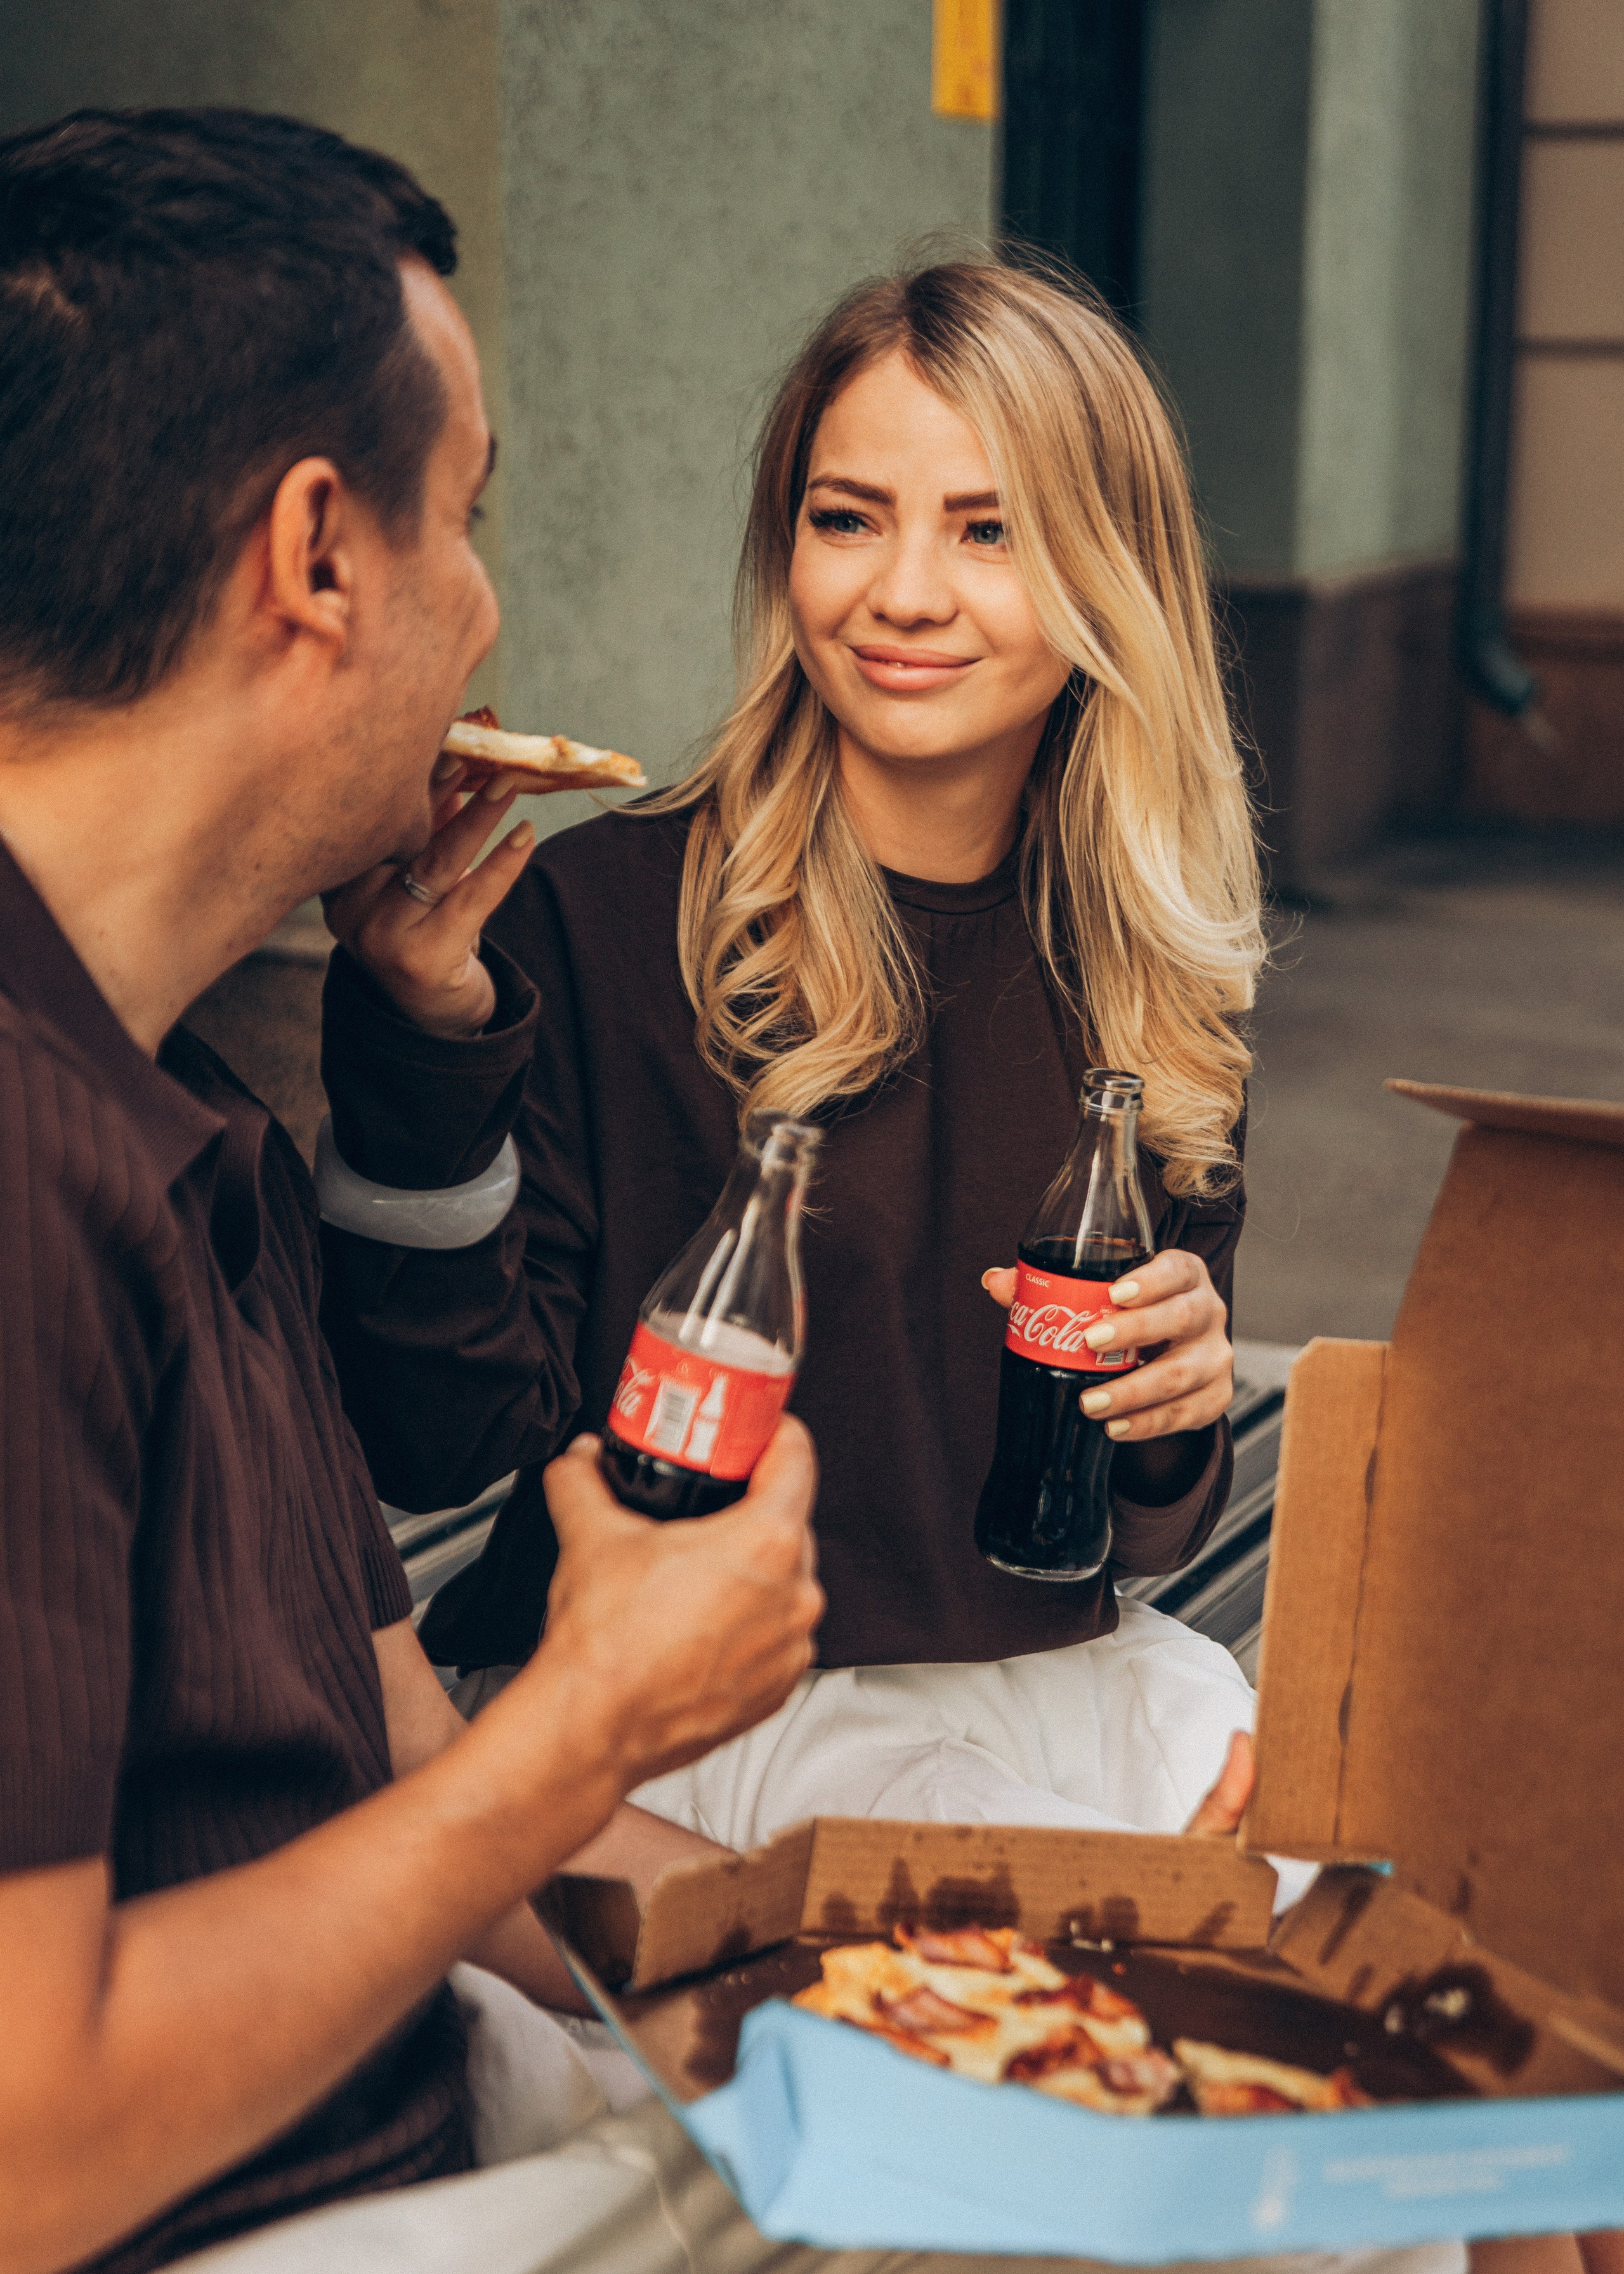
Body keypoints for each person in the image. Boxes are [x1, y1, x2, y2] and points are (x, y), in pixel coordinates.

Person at [0, 107, 829, 2274]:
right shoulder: (22, 1166)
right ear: (315, 555)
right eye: (468, 519)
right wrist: (596, 1721)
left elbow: (389, 1745)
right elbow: (27, 2151)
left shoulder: (171, 1080)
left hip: (419, 2087)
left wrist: (889, 1957)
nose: (487, 612)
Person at [318, 256, 1264, 1847]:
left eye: (988, 529)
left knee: (1325, 1894)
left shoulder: (1159, 959)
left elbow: (1143, 1531)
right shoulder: (596, 915)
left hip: (1047, 1679)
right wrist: (426, 1040)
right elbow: (443, 1439)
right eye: (846, 517)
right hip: (679, 1708)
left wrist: (1173, 1405)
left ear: (1112, 574)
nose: (899, 591)